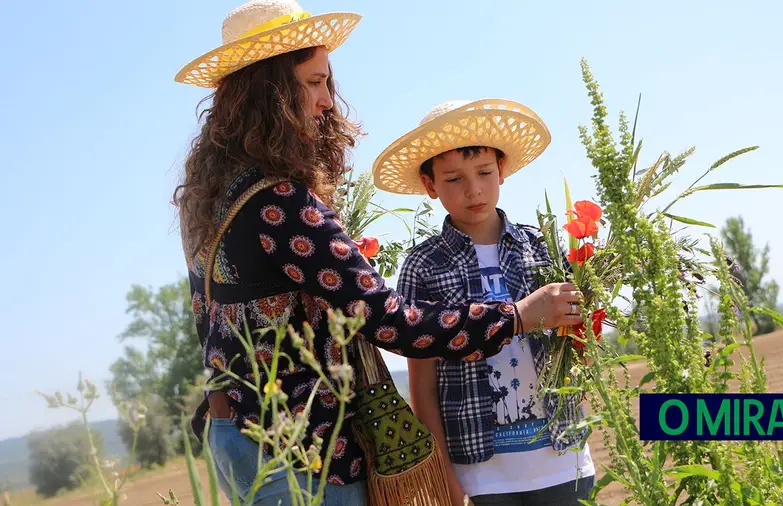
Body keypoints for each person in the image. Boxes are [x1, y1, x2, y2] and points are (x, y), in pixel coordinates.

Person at [171, 2, 585, 505]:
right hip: (299, 446)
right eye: (315, 82)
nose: (328, 101)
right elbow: (396, 324)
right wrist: (517, 316)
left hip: (234, 430)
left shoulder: (214, 199)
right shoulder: (279, 204)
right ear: (272, 92)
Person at [372, 99, 597, 506]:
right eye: (454, 179)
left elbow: (578, 346)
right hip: (481, 472)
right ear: (429, 185)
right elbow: (423, 385)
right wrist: (444, 475)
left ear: (503, 170)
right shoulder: (423, 266)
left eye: (484, 173)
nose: (473, 189)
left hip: (561, 456)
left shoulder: (541, 248)